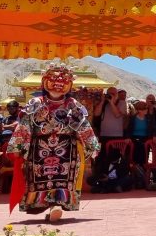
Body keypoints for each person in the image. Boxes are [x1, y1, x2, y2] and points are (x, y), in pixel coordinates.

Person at [6, 63, 100, 223]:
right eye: (54, 80)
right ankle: (50, 205)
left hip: (66, 149)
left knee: (63, 176)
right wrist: (18, 146)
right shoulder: (36, 103)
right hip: (38, 149)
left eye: (63, 81)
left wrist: (92, 144)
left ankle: (56, 205)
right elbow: (24, 125)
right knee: (40, 176)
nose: (58, 85)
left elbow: (84, 126)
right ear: (45, 82)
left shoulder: (72, 105)